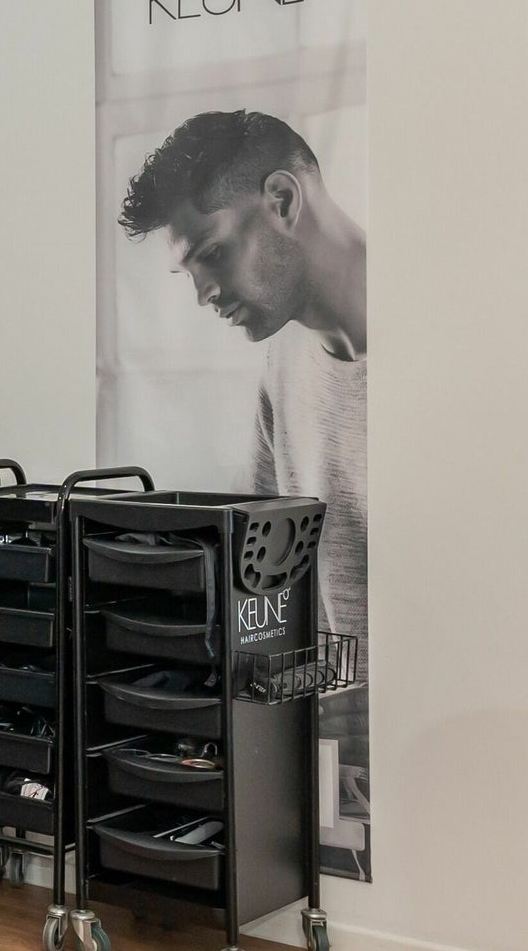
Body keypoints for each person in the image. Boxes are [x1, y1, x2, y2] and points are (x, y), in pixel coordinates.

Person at [119, 108, 369, 840]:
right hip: (345, 786)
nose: (204, 293)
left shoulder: (451, 345)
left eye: (214, 253)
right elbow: (267, 587)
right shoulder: (282, 367)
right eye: (190, 271)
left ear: (283, 199)